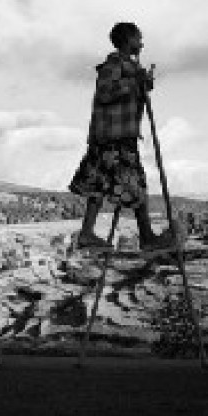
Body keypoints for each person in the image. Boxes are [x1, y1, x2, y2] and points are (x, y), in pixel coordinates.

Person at [69, 22, 175, 253]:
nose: (142, 43)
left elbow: (129, 93)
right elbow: (106, 92)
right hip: (114, 138)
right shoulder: (114, 65)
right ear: (128, 40)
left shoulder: (128, 68)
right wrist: (134, 82)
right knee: (135, 184)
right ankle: (146, 237)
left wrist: (143, 84)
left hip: (111, 137)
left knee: (99, 184)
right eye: (139, 39)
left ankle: (87, 233)